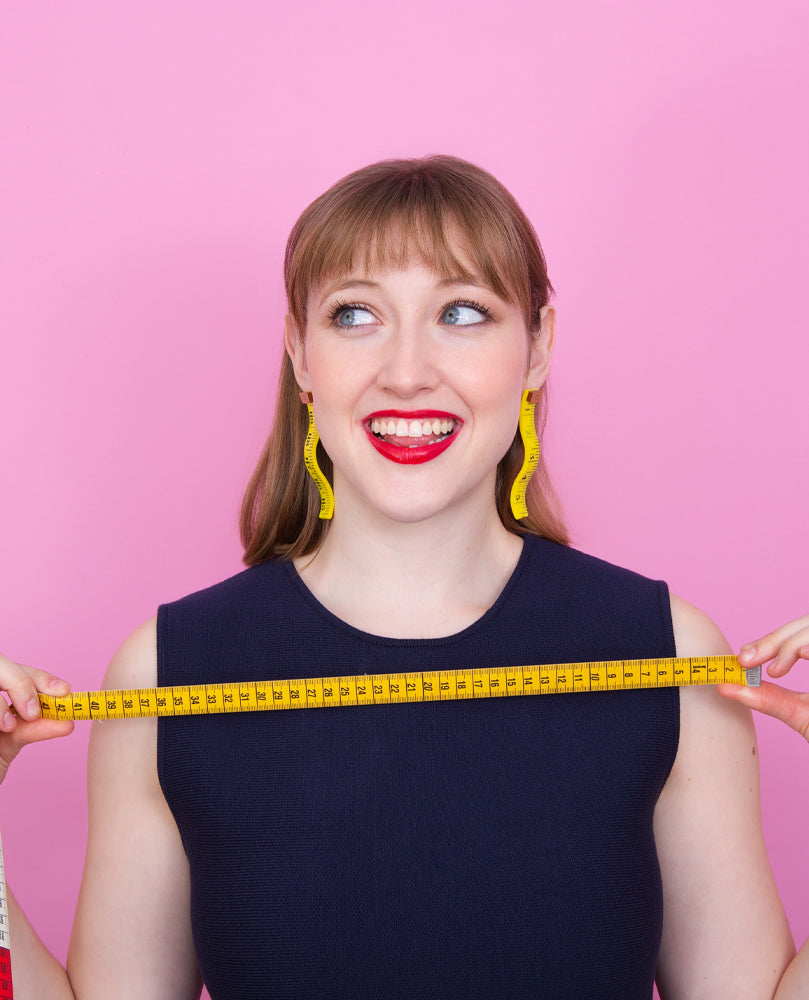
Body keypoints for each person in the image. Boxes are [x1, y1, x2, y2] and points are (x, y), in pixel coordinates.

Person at [0, 156, 806, 999]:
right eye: (355, 316)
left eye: (462, 312)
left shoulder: (670, 656)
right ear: (300, 356)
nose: (408, 370)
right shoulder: (166, 675)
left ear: (537, 349)